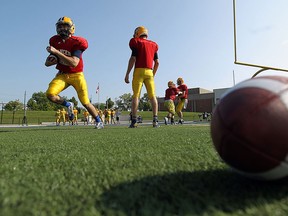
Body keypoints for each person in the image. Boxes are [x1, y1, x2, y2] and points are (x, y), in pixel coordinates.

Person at [45, 16, 103, 129]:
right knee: (50, 94)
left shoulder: (77, 42)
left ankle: (99, 121)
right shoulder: (54, 40)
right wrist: (51, 60)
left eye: (65, 26)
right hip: (62, 74)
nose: (62, 29)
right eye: (60, 26)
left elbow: (74, 63)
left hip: (77, 75)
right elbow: (47, 64)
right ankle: (68, 104)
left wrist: (56, 52)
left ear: (72, 27)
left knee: (85, 102)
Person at [124, 26, 159, 128]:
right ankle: (155, 120)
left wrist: (127, 74)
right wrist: (153, 74)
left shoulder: (136, 42)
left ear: (137, 33)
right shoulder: (153, 45)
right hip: (149, 71)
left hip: (139, 70)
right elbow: (157, 62)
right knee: (152, 96)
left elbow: (133, 58)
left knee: (136, 96)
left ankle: (134, 120)